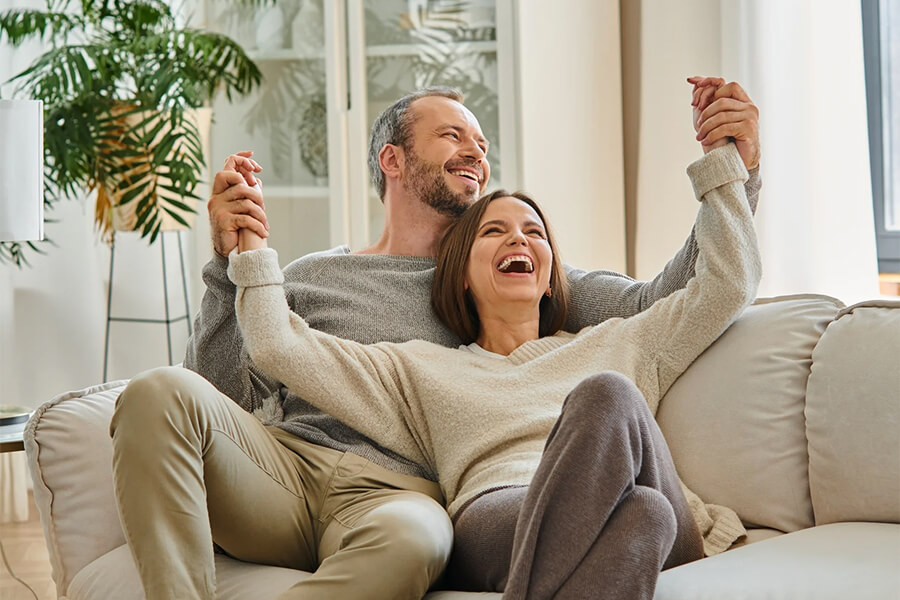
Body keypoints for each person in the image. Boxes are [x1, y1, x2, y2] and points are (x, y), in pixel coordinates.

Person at [108, 77, 761, 599]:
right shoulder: (309, 279)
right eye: (453, 135)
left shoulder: (524, 275)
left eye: (482, 142)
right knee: (159, 391)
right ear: (393, 160)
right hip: (282, 468)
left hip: (393, 497)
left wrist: (733, 173)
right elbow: (228, 388)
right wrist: (230, 266)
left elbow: (682, 295)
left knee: (449, 535)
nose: (477, 152)